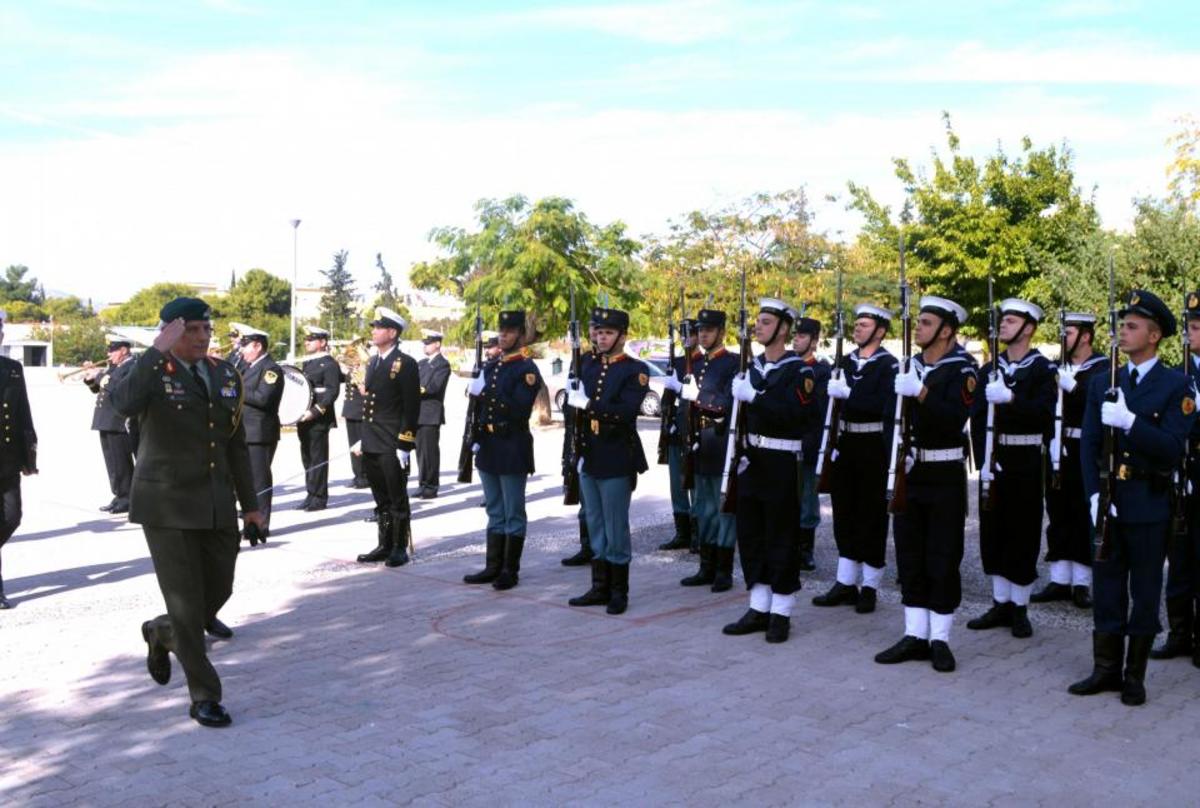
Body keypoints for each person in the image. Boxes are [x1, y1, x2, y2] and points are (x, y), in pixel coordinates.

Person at [109, 297, 265, 727]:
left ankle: (161, 633)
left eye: (205, 330)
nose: (200, 338)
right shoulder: (150, 370)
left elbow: (235, 444)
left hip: (216, 500)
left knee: (219, 589)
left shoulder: (225, 373)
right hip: (167, 504)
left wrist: (251, 507)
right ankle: (204, 695)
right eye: (190, 330)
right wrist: (156, 350)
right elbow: (120, 403)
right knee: (186, 601)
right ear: (170, 333)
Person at [1071, 290, 1198, 705]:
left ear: (1155, 334)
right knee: (1107, 585)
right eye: (1122, 325)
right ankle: (1105, 669)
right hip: (1109, 498)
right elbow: (1089, 444)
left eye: (1132, 326)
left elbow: (1172, 446)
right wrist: (1092, 494)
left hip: (1149, 500)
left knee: (1144, 589)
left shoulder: (1177, 384)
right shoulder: (1103, 380)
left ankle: (1134, 674)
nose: (1122, 332)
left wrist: (1130, 422)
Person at [874, 296, 978, 673]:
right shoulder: (908, 366)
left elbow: (955, 419)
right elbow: (890, 420)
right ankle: (915, 634)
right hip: (911, 474)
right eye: (917, 321)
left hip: (945, 473)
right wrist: (896, 456)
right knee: (910, 555)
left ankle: (940, 639)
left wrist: (921, 393)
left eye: (926, 322)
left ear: (946, 330)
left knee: (943, 555)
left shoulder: (963, 369)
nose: (918, 327)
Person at [721, 298, 820, 644]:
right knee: (751, 535)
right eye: (758, 322)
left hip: (781, 461)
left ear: (782, 329)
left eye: (765, 322)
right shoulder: (753, 367)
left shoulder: (800, 370)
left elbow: (798, 415)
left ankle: (781, 612)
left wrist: (756, 397)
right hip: (752, 460)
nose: (758, 328)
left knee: (781, 536)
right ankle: (758, 606)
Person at [968, 299, 1057, 639]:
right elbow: (976, 416)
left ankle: (1019, 607)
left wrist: (1012, 401)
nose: (1002, 325)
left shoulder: (1041, 370)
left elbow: (1045, 414)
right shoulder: (989, 369)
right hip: (995, 457)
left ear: (1029, 328)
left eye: (1010, 320)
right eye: (1002, 320)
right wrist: (984, 457)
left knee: (1022, 530)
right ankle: (999, 602)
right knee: (993, 529)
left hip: (1025, 460)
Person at [813, 304, 898, 614]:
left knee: (872, 516)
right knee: (844, 513)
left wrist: (851, 395)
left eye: (864, 325)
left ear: (880, 331)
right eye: (857, 324)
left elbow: (884, 404)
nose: (857, 329)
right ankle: (845, 582)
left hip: (873, 445)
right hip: (846, 443)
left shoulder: (890, 366)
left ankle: (871, 586)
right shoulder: (845, 362)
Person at [566, 306, 650, 615]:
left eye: (608, 332)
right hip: (590, 453)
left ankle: (619, 591)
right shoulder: (587, 363)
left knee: (616, 527)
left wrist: (588, 403)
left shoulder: (634, 370)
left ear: (622, 336)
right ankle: (599, 586)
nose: (601, 337)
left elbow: (626, 412)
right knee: (595, 523)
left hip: (616, 455)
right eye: (598, 332)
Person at [462, 311, 543, 590]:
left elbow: (520, 409)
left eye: (509, 331)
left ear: (521, 335)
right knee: (494, 509)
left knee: (513, 511)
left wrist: (485, 392)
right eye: (501, 330)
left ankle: (510, 570)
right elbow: (479, 406)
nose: (503, 335)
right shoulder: (492, 365)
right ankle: (492, 566)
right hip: (489, 445)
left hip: (512, 445)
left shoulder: (527, 369)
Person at [1034, 312, 1108, 608]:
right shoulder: (1056, 368)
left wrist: (1075, 389)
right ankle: (1059, 578)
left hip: (1085, 447)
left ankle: (1081, 582)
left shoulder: (1103, 368)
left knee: (1081, 511)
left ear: (1086, 336)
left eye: (1070, 331)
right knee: (1057, 509)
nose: (1064, 336)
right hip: (1057, 447)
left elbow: (1101, 402)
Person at [676, 308, 739, 591]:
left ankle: (723, 570)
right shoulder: (695, 362)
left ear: (722, 333)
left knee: (722, 507)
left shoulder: (733, 363)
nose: (703, 334)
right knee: (703, 507)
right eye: (701, 330)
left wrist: (698, 396)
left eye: (709, 330)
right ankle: (706, 566)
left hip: (719, 440)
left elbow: (726, 404)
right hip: (698, 444)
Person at [1153, 292, 1200, 663]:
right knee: (1179, 558)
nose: (1190, 334)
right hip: (1180, 476)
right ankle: (1179, 632)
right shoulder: (1175, 375)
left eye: (1197, 328)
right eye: (1189, 327)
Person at [354, 308, 420, 568]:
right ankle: (384, 543)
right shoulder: (374, 362)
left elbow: (411, 406)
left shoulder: (405, 364)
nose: (373, 331)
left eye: (378, 327)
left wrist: (405, 442)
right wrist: (363, 438)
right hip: (373, 441)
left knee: (396, 497)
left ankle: (399, 546)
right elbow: (371, 405)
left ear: (392, 333)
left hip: (392, 443)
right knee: (380, 498)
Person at [0, 309, 38, 610]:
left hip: (8, 458)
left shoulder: (12, 368)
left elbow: (23, 412)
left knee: (13, 517)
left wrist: (29, 455)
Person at [237, 326, 284, 538]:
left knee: (259, 481)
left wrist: (236, 389)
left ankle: (261, 525)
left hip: (259, 433)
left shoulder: (271, 369)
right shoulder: (247, 367)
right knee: (245, 483)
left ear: (257, 345)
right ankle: (250, 522)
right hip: (244, 431)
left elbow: (263, 399)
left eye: (245, 346)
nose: (241, 351)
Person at [83, 336, 137, 514]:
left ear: (123, 350)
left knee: (121, 461)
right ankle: (119, 494)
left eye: (112, 350)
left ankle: (127, 497)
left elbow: (116, 386)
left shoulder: (132, 366)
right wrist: (90, 378)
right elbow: (98, 389)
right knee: (112, 463)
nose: (109, 354)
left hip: (118, 421)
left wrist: (99, 375)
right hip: (106, 419)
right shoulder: (115, 367)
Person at [793, 314, 830, 571]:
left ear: (814, 341)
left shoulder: (820, 370)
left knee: (807, 499)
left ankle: (805, 549)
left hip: (807, 443)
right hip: (785, 443)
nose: (796, 340)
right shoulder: (787, 365)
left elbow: (816, 410)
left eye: (802, 336)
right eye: (795, 335)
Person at [658, 320, 699, 552]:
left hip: (692, 431)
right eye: (683, 335)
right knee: (677, 484)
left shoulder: (702, 363)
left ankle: (697, 534)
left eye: (690, 335)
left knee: (693, 482)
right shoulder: (676, 363)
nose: (686, 340)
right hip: (674, 432)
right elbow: (668, 398)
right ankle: (682, 532)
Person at [561, 324, 598, 567]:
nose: (596, 334)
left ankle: (601, 549)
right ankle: (587, 546)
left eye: (603, 330)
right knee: (584, 499)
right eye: (594, 329)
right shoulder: (581, 360)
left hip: (599, 435)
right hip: (579, 434)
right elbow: (568, 407)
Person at [296, 326, 341, 511]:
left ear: (322, 342)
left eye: (311, 339)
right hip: (304, 416)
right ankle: (310, 493)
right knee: (307, 457)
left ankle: (319, 497)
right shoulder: (309, 362)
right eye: (306, 339)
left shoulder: (329, 363)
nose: (307, 342)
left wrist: (315, 411)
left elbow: (332, 391)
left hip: (318, 417)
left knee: (318, 458)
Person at [415, 329, 452, 499]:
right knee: (420, 452)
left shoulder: (442, 364)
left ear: (437, 344)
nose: (425, 346)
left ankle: (431, 486)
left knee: (430, 452)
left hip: (430, 414)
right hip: (418, 413)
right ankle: (422, 484)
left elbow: (434, 387)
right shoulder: (421, 363)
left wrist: (414, 389)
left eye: (428, 343)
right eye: (424, 343)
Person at [340, 348, 372, 491]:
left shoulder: (365, 370)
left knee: (361, 445)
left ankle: (365, 475)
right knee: (353, 445)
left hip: (361, 411)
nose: (353, 360)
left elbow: (365, 392)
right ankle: (357, 474)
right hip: (351, 411)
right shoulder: (352, 371)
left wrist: (359, 376)